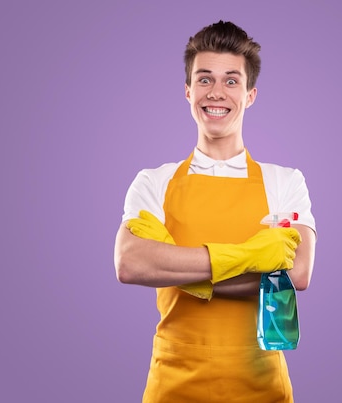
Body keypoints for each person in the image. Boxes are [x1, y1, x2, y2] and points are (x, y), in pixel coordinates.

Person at [114, 20, 317, 402]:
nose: (216, 92)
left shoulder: (285, 181)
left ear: (251, 94)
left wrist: (176, 269)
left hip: (262, 386)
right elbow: (130, 263)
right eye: (204, 80)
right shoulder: (154, 181)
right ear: (188, 91)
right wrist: (254, 258)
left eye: (231, 80)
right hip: (173, 386)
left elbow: (298, 274)